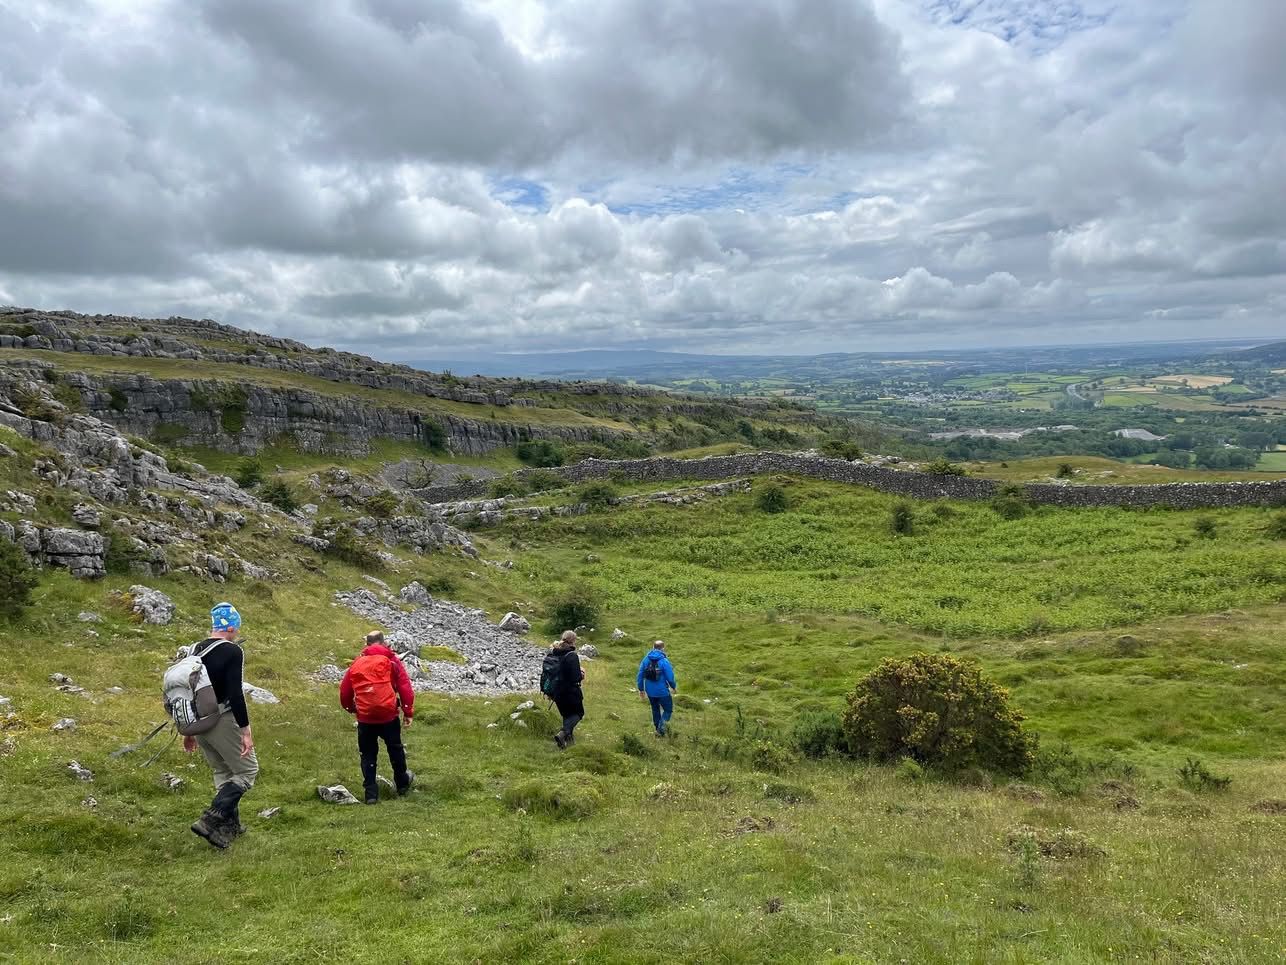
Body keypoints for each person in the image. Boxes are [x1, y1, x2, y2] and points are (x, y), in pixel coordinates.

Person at [186, 602, 258, 850]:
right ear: (232, 625)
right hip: (222, 719)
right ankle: (210, 819)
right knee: (247, 771)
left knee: (223, 772)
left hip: (198, 722)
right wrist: (245, 730)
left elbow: (186, 692)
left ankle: (230, 828)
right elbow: (235, 693)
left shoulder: (194, 650)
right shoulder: (231, 651)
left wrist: (188, 730)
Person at [339, 631, 415, 804]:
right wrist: (407, 712)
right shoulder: (392, 661)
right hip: (389, 716)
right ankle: (402, 784)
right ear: (383, 643)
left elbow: (344, 692)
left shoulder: (357, 663)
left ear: (367, 644)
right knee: (395, 748)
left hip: (365, 718)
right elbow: (405, 687)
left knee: (368, 754)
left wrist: (352, 709)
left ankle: (371, 794)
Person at [548, 630, 585, 750]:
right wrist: (581, 674)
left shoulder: (554, 653)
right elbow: (575, 677)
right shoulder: (572, 655)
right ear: (573, 641)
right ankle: (563, 733)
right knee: (578, 713)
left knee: (567, 715)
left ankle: (567, 744)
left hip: (556, 692)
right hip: (570, 691)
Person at [636, 639, 678, 736]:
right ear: (663, 649)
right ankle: (661, 730)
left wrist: (641, 689)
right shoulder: (664, 661)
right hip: (662, 691)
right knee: (668, 710)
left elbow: (640, 675)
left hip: (650, 691)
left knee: (655, 709)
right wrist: (673, 687)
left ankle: (657, 729)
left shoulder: (646, 659)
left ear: (653, 647)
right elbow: (670, 677)